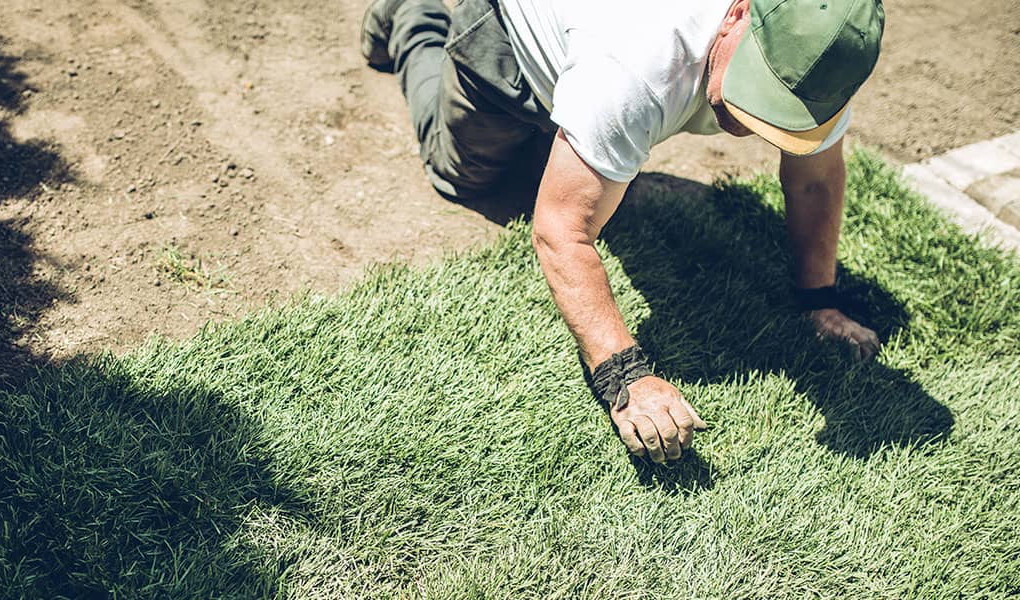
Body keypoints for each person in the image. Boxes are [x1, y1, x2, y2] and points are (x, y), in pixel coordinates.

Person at [361, 0, 886, 463]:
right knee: (462, 172)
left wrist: (820, 300)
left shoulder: (823, 57)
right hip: (507, 56)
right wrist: (625, 377)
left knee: (600, 154)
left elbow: (815, 181)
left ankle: (577, 128)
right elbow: (560, 228)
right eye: (760, 92)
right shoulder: (641, 60)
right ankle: (413, 17)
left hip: (599, 72)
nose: (752, 124)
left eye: (786, 109)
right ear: (737, 14)